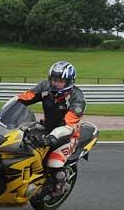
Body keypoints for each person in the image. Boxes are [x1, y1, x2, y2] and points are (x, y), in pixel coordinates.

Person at [16, 61, 85, 196]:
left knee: (54, 161)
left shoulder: (77, 99)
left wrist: (52, 138)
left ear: (69, 81)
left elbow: (69, 124)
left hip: (67, 135)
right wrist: (4, 109)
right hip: (46, 127)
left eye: (60, 81)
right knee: (20, 141)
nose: (55, 83)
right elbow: (24, 98)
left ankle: (59, 184)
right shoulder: (44, 87)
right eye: (54, 79)